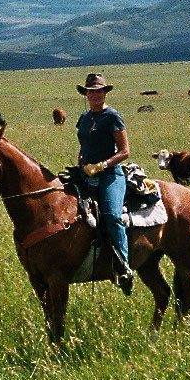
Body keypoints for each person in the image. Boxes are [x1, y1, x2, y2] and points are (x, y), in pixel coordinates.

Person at [75, 72, 135, 296]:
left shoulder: (112, 116)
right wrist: (81, 164)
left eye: (99, 91)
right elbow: (84, 145)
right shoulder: (84, 117)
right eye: (91, 92)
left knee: (111, 215)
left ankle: (124, 266)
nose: (95, 95)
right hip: (86, 172)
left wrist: (102, 165)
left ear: (105, 93)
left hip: (111, 174)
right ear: (86, 94)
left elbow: (125, 151)